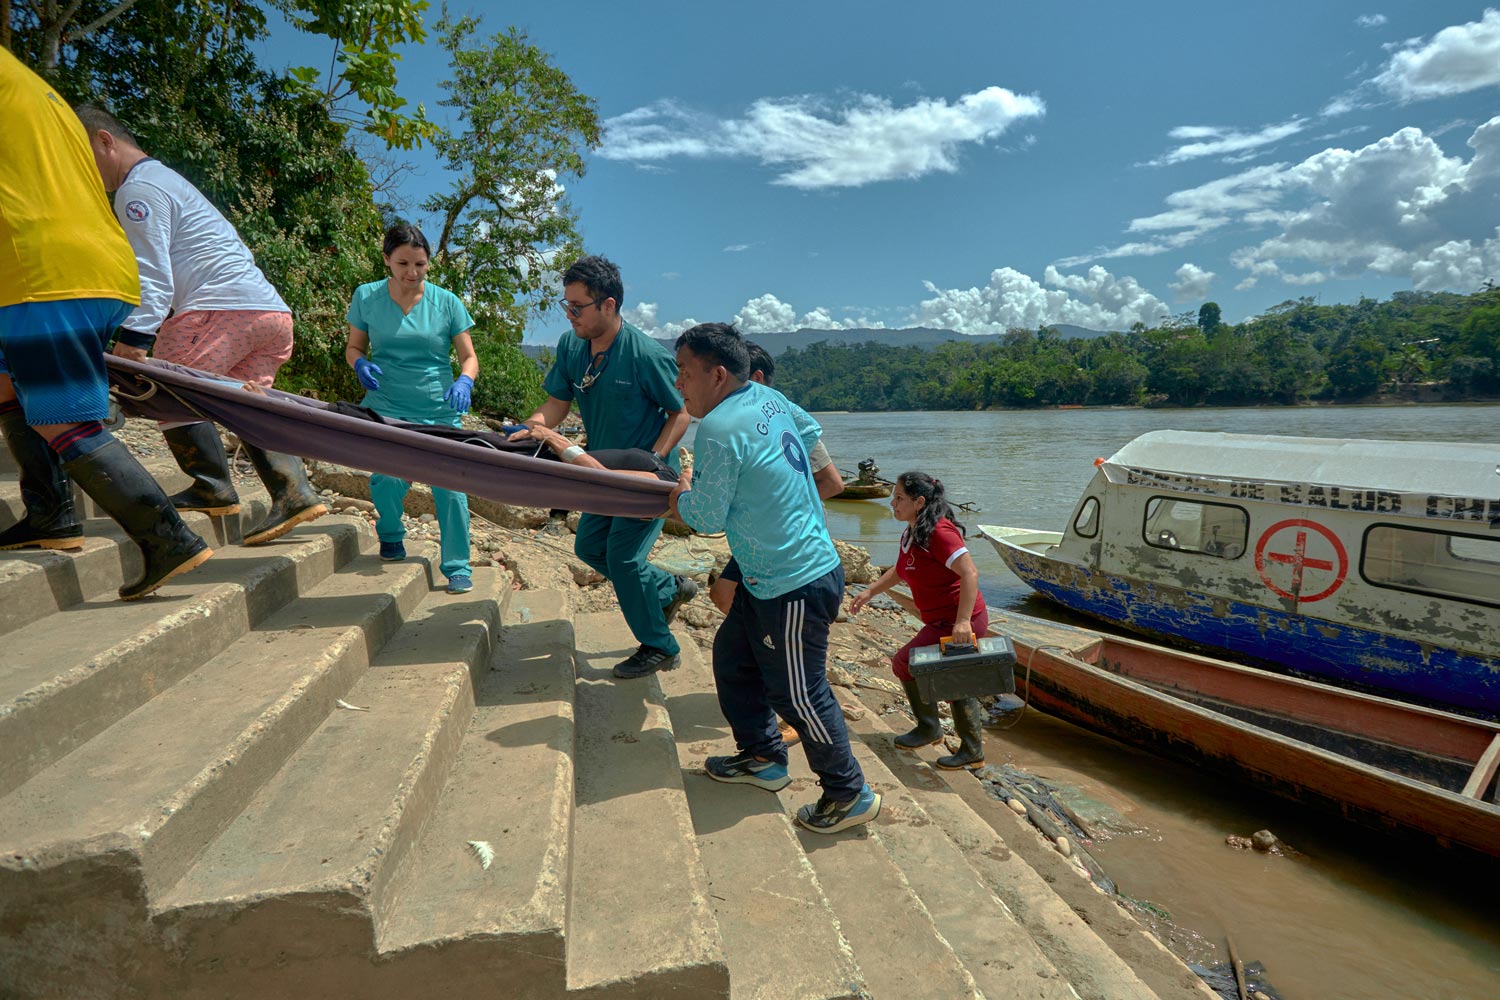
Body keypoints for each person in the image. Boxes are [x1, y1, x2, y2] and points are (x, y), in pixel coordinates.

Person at [0, 49, 211, 598]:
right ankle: (50, 516)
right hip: (88, 263)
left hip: (43, 270)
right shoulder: (33, 88)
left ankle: (167, 538)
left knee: (63, 415)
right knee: (9, 385)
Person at [76, 105, 327, 545]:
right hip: (270, 315)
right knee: (248, 405)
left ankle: (212, 485)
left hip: (221, 309)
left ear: (104, 140)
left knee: (169, 390)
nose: (85, 172)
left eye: (82, 158)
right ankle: (294, 492)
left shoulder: (138, 191)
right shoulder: (169, 181)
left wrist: (133, 342)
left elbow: (153, 274)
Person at [670, 322, 880, 834]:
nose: (680, 385)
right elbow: (808, 436)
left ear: (717, 375)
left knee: (799, 694)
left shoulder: (719, 426)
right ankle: (763, 757)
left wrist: (679, 492)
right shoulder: (768, 397)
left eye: (684, 372)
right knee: (733, 660)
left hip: (792, 583)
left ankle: (848, 792)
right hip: (777, 573)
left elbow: (706, 518)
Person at [511, 255, 693, 678]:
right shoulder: (572, 346)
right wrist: (531, 427)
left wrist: (654, 462)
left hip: (645, 480)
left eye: (578, 307)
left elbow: (680, 412)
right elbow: (558, 403)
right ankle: (670, 588)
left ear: (608, 306)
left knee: (624, 559)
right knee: (589, 548)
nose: (569, 314)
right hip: (597, 471)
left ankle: (660, 645)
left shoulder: (645, 354)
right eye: (566, 305)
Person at [707, 340, 844, 747]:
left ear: (757, 381)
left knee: (792, 667)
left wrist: (782, 508)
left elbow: (833, 483)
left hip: (790, 556)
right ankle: (763, 745)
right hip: (763, 551)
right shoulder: (751, 421)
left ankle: (790, 722)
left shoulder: (778, 416)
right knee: (736, 646)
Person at [345, 223, 479, 594]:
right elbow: (354, 347)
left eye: (420, 264)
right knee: (387, 478)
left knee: (450, 487)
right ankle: (390, 532)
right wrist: (359, 364)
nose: (412, 273)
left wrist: (464, 381)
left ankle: (457, 566)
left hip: (438, 405)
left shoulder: (447, 302)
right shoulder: (367, 297)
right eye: (403, 263)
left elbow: (469, 357)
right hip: (386, 403)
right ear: (386, 259)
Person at [848, 471, 987, 770]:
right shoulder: (913, 532)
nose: (892, 503)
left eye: (899, 498)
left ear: (919, 502)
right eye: (893, 497)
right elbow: (901, 571)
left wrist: (962, 622)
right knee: (928, 669)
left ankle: (958, 743)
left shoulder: (940, 532)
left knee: (912, 664)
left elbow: (970, 573)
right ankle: (935, 731)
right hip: (940, 620)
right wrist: (870, 591)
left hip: (960, 619)